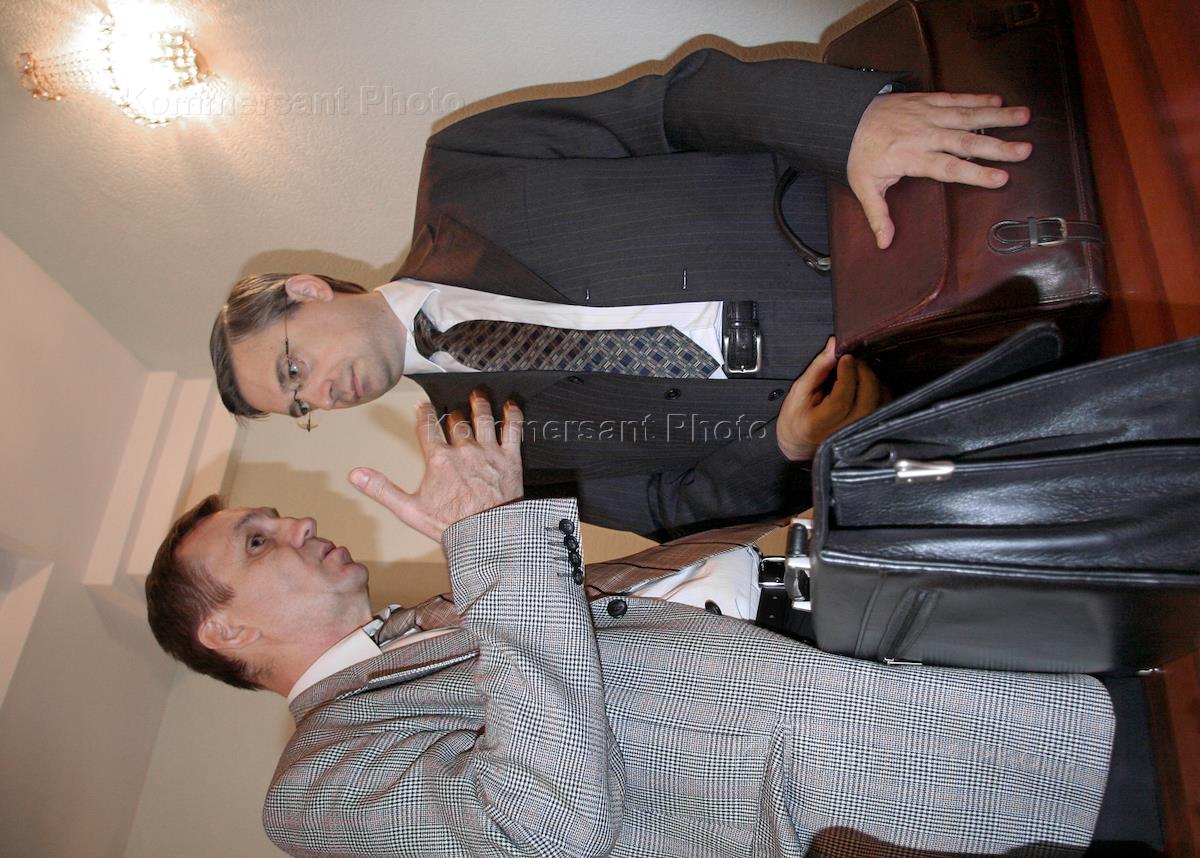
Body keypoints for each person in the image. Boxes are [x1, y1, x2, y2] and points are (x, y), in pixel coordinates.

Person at [146, 393, 1114, 857]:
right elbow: (543, 824)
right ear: (226, 633)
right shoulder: (308, 792)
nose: (298, 525)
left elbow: (648, 601)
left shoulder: (425, 624)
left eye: (273, 518)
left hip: (897, 627)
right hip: (879, 775)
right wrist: (492, 538)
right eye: (259, 542)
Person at [208, 47, 1034, 540]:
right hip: (929, 401)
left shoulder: (469, 166)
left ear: (306, 291)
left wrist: (844, 123)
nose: (323, 394)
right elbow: (673, 508)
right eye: (302, 407)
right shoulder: (489, 463)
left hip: (905, 211)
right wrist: (782, 445)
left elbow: (677, 107)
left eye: (294, 369)